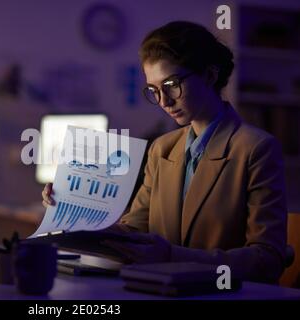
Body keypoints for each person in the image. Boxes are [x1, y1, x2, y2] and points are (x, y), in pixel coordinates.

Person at [42, 21, 287, 284]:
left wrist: (171, 256)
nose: (164, 101)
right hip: (159, 290)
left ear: (209, 75)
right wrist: (73, 212)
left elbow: (268, 260)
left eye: (171, 84)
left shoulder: (256, 149)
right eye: (154, 90)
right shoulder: (162, 148)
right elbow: (133, 232)